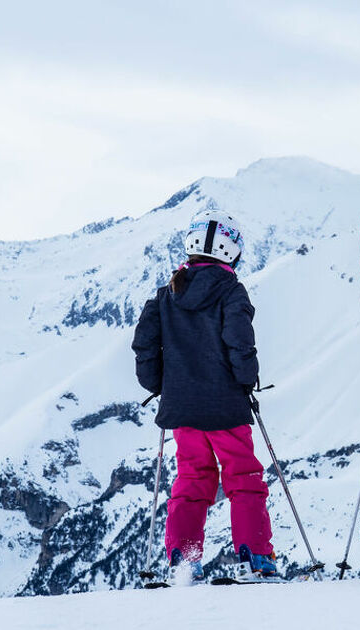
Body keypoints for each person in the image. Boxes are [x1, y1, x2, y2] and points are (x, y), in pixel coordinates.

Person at [132, 210, 278, 584]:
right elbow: (239, 341)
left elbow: (145, 344)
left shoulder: (167, 295)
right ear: (232, 252)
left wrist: (158, 385)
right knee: (243, 476)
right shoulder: (231, 290)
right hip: (226, 404)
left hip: (181, 406)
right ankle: (255, 558)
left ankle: (184, 560)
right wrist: (248, 380)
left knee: (192, 479)